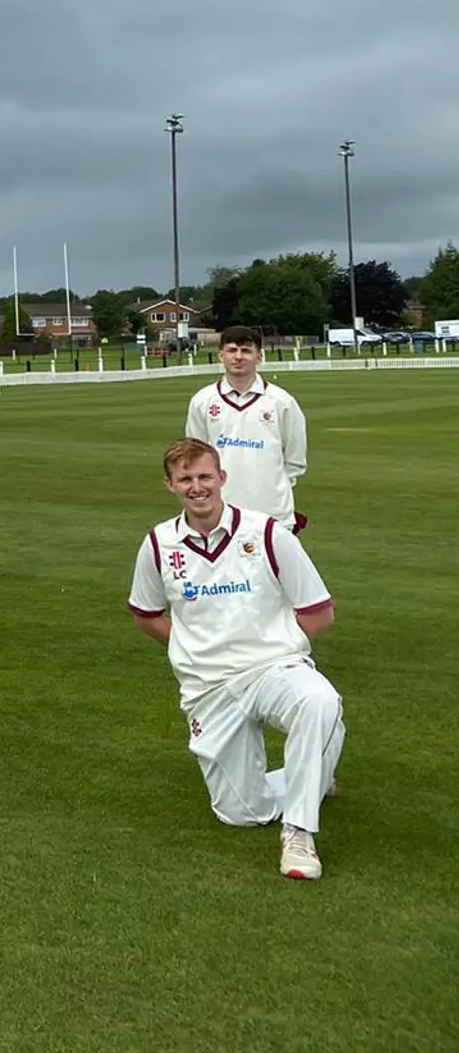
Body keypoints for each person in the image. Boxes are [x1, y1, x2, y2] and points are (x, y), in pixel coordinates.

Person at [128, 438, 343, 880]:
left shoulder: (267, 533)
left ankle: (299, 835)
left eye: (205, 476)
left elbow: (320, 613)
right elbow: (146, 616)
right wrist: (192, 649)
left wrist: (270, 642)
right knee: (241, 812)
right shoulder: (158, 544)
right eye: (185, 479)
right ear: (170, 485)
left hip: (272, 668)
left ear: (222, 478)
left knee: (317, 701)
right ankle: (317, 770)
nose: (197, 487)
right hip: (209, 687)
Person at [184, 326, 308, 524]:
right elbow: (196, 458)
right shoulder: (202, 401)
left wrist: (271, 488)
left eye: (246, 351)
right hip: (220, 513)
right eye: (232, 350)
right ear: (221, 356)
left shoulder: (282, 402)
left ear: (259, 357)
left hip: (273, 514)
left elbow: (295, 460)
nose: (238, 357)